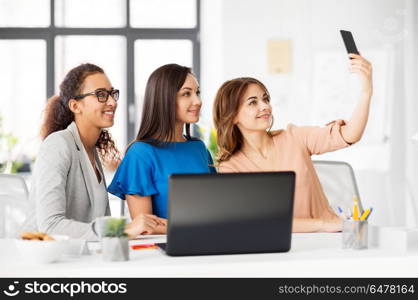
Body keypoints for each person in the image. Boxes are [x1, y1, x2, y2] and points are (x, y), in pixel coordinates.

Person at [213, 54, 372, 232]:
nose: (265, 106)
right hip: (278, 246)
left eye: (265, 99)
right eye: (253, 102)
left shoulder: (295, 138)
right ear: (232, 116)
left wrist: (366, 92)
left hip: (328, 239)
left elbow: (350, 135)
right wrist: (322, 224)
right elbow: (254, 220)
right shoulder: (231, 167)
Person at [21, 63, 161, 239]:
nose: (112, 102)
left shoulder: (91, 151)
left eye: (112, 93)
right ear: (75, 106)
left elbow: (98, 228)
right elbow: (50, 226)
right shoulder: (57, 144)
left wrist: (135, 227)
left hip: (81, 259)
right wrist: (123, 229)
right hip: (45, 259)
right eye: (101, 95)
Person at [108, 64, 216, 234]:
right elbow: (144, 226)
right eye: (186, 94)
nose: (198, 101)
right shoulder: (140, 154)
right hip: (166, 251)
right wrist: (198, 227)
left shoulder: (199, 149)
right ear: (164, 99)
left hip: (210, 243)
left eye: (197, 93)